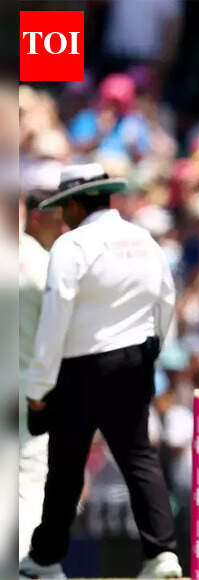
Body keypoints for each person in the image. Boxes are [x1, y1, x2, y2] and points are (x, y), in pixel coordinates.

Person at [18, 164, 181, 579]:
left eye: (63, 207)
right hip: (135, 360)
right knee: (138, 457)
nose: (61, 217)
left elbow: (55, 318)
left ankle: (45, 559)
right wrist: (152, 352)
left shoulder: (71, 245)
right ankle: (162, 554)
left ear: (75, 205)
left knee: (65, 465)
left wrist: (38, 387)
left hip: (82, 367)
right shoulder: (143, 239)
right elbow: (166, 301)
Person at [18, 190, 65, 562]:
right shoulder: (44, 265)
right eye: (57, 221)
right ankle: (21, 562)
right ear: (36, 217)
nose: (63, 229)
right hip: (30, 391)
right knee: (31, 478)